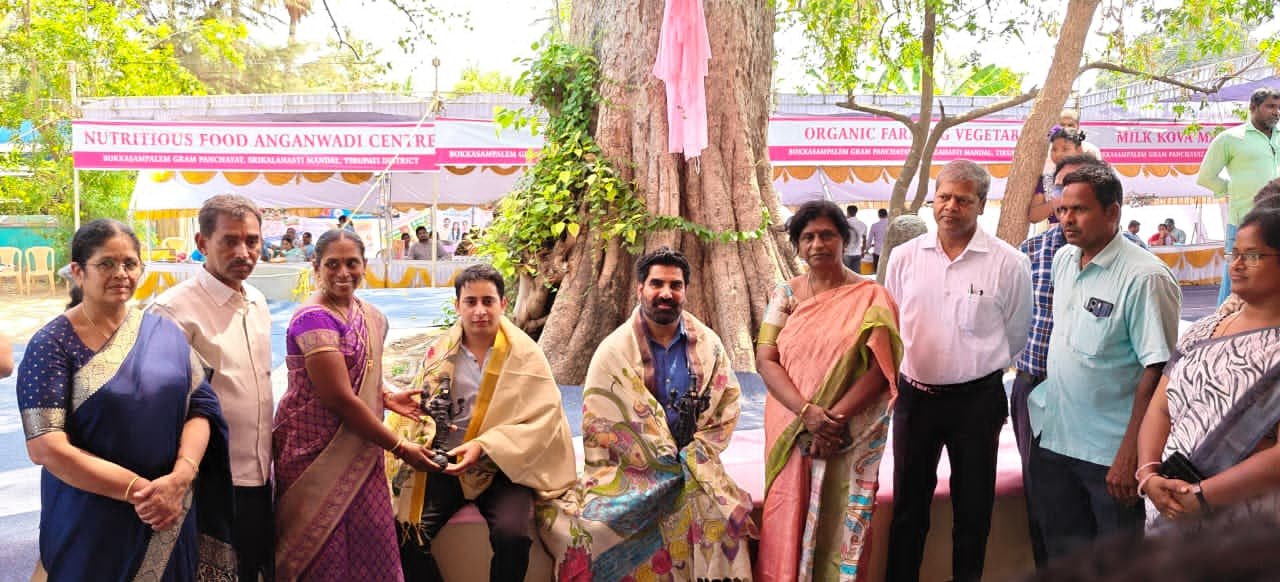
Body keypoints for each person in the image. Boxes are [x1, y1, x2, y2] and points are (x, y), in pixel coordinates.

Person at [17, 219, 235, 580]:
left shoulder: (165, 332)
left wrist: (181, 477)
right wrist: (141, 493)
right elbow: (45, 447)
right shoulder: (51, 345)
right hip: (92, 518)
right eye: (106, 263)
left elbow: (200, 407)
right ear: (78, 272)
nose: (121, 273)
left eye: (130, 263)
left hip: (170, 509)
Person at [540, 247, 755, 580]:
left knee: (723, 519)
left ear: (686, 290)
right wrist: (659, 460)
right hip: (631, 473)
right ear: (640, 288)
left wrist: (691, 457)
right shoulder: (613, 352)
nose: (666, 293)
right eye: (657, 284)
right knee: (591, 533)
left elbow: (725, 408)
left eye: (675, 285)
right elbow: (601, 424)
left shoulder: (709, 345)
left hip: (695, 466)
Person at [885, 160, 1032, 582]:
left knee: (973, 509)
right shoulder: (904, 258)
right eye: (944, 197)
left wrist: (972, 366)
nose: (950, 207)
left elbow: (1016, 334)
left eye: (963, 200)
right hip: (915, 400)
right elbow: (892, 324)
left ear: (981, 205)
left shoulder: (1008, 263)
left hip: (977, 403)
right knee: (908, 508)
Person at [1027, 163, 1182, 559]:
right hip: (1056, 439)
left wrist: (1132, 453)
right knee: (1065, 560)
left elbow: (1158, 370)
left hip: (1110, 456)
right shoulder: (1064, 260)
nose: (1067, 219)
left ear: (1113, 212)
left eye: (1079, 210)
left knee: (1117, 566)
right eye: (1063, 209)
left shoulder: (1145, 277)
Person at [386, 265, 576, 582]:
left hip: (504, 467)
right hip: (447, 463)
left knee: (513, 537)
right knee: (406, 533)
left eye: (488, 301)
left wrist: (486, 445)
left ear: (503, 304)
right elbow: (424, 412)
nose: (479, 311)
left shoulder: (527, 356)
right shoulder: (440, 352)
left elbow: (544, 419)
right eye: (470, 302)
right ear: (457, 305)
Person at [272, 229, 433, 581]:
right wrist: (401, 447)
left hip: (362, 447)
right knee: (319, 551)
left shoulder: (371, 315)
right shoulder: (313, 319)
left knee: (371, 540)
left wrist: (386, 396)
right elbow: (340, 399)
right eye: (332, 264)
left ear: (364, 265)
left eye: (352, 263)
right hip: (313, 450)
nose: (343, 272)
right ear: (316, 266)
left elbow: (362, 375)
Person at [756, 201, 902, 581]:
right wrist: (808, 414)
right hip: (791, 425)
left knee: (842, 517)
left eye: (827, 235)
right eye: (808, 237)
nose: (817, 244)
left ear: (843, 239)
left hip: (848, 432)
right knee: (787, 509)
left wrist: (831, 422)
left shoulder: (872, 297)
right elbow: (766, 360)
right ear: (797, 245)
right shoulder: (784, 295)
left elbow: (881, 368)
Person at [149, 195, 275, 582]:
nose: (244, 252)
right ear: (202, 243)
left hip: (260, 475)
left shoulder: (257, 301)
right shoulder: (172, 312)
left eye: (251, 241)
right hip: (207, 481)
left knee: (253, 568)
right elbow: (161, 409)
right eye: (229, 241)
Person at [1137, 207, 1280, 528]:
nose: (1236, 264)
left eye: (1252, 256)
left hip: (1245, 526)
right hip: (1167, 508)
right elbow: (1160, 409)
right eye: (1234, 253)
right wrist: (1148, 474)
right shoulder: (1203, 329)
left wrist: (1202, 496)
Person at [1013, 154, 1102, 568]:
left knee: (1098, 498)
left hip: (1098, 394)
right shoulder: (1030, 251)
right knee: (1043, 497)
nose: (1068, 205)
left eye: (1080, 195)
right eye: (1062, 192)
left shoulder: (1136, 262)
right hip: (1035, 386)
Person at [1198, 87, 1280, 305]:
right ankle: (1222, 324)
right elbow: (1206, 177)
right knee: (1236, 282)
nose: (1276, 112)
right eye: (1270, 107)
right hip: (1243, 222)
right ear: (1253, 107)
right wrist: (1232, 190)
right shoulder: (1230, 139)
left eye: (1279, 108)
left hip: (1278, 222)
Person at [1029, 126, 1088, 223]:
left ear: (1078, 150)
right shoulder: (1047, 180)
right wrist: (1055, 202)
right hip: (1057, 231)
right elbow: (1033, 216)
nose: (1058, 154)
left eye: (1065, 149)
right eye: (1054, 149)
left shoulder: (1089, 176)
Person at [844, 204, 869, 272]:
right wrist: (863, 251)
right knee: (856, 274)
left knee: (846, 274)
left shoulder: (844, 224)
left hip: (847, 253)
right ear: (856, 212)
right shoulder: (863, 225)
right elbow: (864, 240)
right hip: (858, 253)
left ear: (847, 212)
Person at [868, 208, 889, 272]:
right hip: (888, 252)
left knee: (877, 271)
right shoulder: (891, 224)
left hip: (877, 252)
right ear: (887, 215)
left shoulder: (874, 225)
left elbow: (869, 239)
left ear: (879, 215)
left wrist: (866, 249)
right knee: (887, 271)